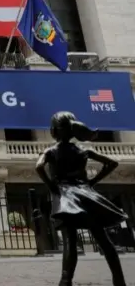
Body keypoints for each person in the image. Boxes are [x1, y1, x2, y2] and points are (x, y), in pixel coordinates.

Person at [36, 111, 127, 286]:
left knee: (70, 240)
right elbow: (112, 163)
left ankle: (66, 280)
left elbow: (39, 167)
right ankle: (119, 280)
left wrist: (51, 186)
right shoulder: (84, 150)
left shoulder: (51, 151)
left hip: (65, 196)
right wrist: (92, 182)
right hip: (86, 194)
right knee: (103, 240)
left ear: (53, 131)